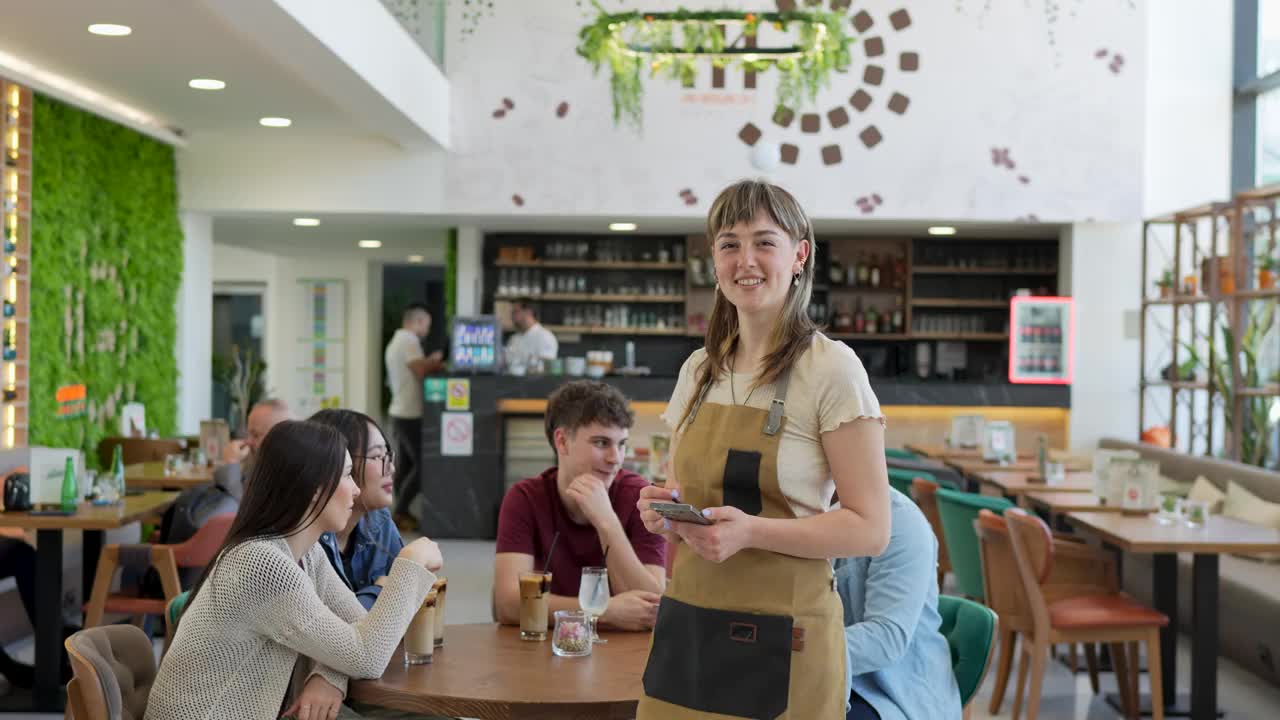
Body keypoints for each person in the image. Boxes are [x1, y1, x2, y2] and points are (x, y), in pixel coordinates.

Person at [636, 179, 891, 719]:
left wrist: (752, 531)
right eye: (729, 244)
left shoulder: (832, 369)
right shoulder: (699, 371)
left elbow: (870, 528)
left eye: (764, 242)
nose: (745, 260)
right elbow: (686, 489)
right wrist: (664, 508)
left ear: (799, 255)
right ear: (714, 259)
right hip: (692, 624)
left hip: (787, 639)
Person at [145, 421, 444, 720]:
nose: (355, 489)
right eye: (346, 475)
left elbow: (361, 634)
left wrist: (328, 674)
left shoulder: (307, 553)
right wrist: (409, 564)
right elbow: (367, 656)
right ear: (314, 489)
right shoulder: (261, 565)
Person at [493, 380, 666, 632]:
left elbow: (653, 607)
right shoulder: (524, 498)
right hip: (546, 652)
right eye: (601, 443)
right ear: (562, 441)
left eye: (621, 444)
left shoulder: (640, 497)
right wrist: (602, 611)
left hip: (623, 655)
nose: (615, 458)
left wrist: (606, 520)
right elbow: (507, 605)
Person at [835, 489, 961, 720]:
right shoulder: (800, 515)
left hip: (894, 691)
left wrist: (796, 647)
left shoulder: (902, 522)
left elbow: (886, 639)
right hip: (831, 673)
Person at [310, 409, 405, 610]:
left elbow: (407, 601)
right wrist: (381, 590)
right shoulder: (304, 539)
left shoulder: (379, 521)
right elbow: (331, 629)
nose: (391, 468)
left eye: (388, 455)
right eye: (377, 456)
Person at [384, 304, 444, 532]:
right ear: (418, 321)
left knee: (407, 464)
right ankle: (399, 511)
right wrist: (436, 360)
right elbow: (420, 370)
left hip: (400, 410)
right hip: (409, 412)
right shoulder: (408, 340)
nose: (427, 328)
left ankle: (402, 512)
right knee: (424, 465)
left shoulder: (396, 341)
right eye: (426, 323)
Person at [504, 301, 558, 369]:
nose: (512, 317)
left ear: (529, 312)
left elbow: (545, 368)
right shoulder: (514, 338)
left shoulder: (545, 337)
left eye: (515, 312)